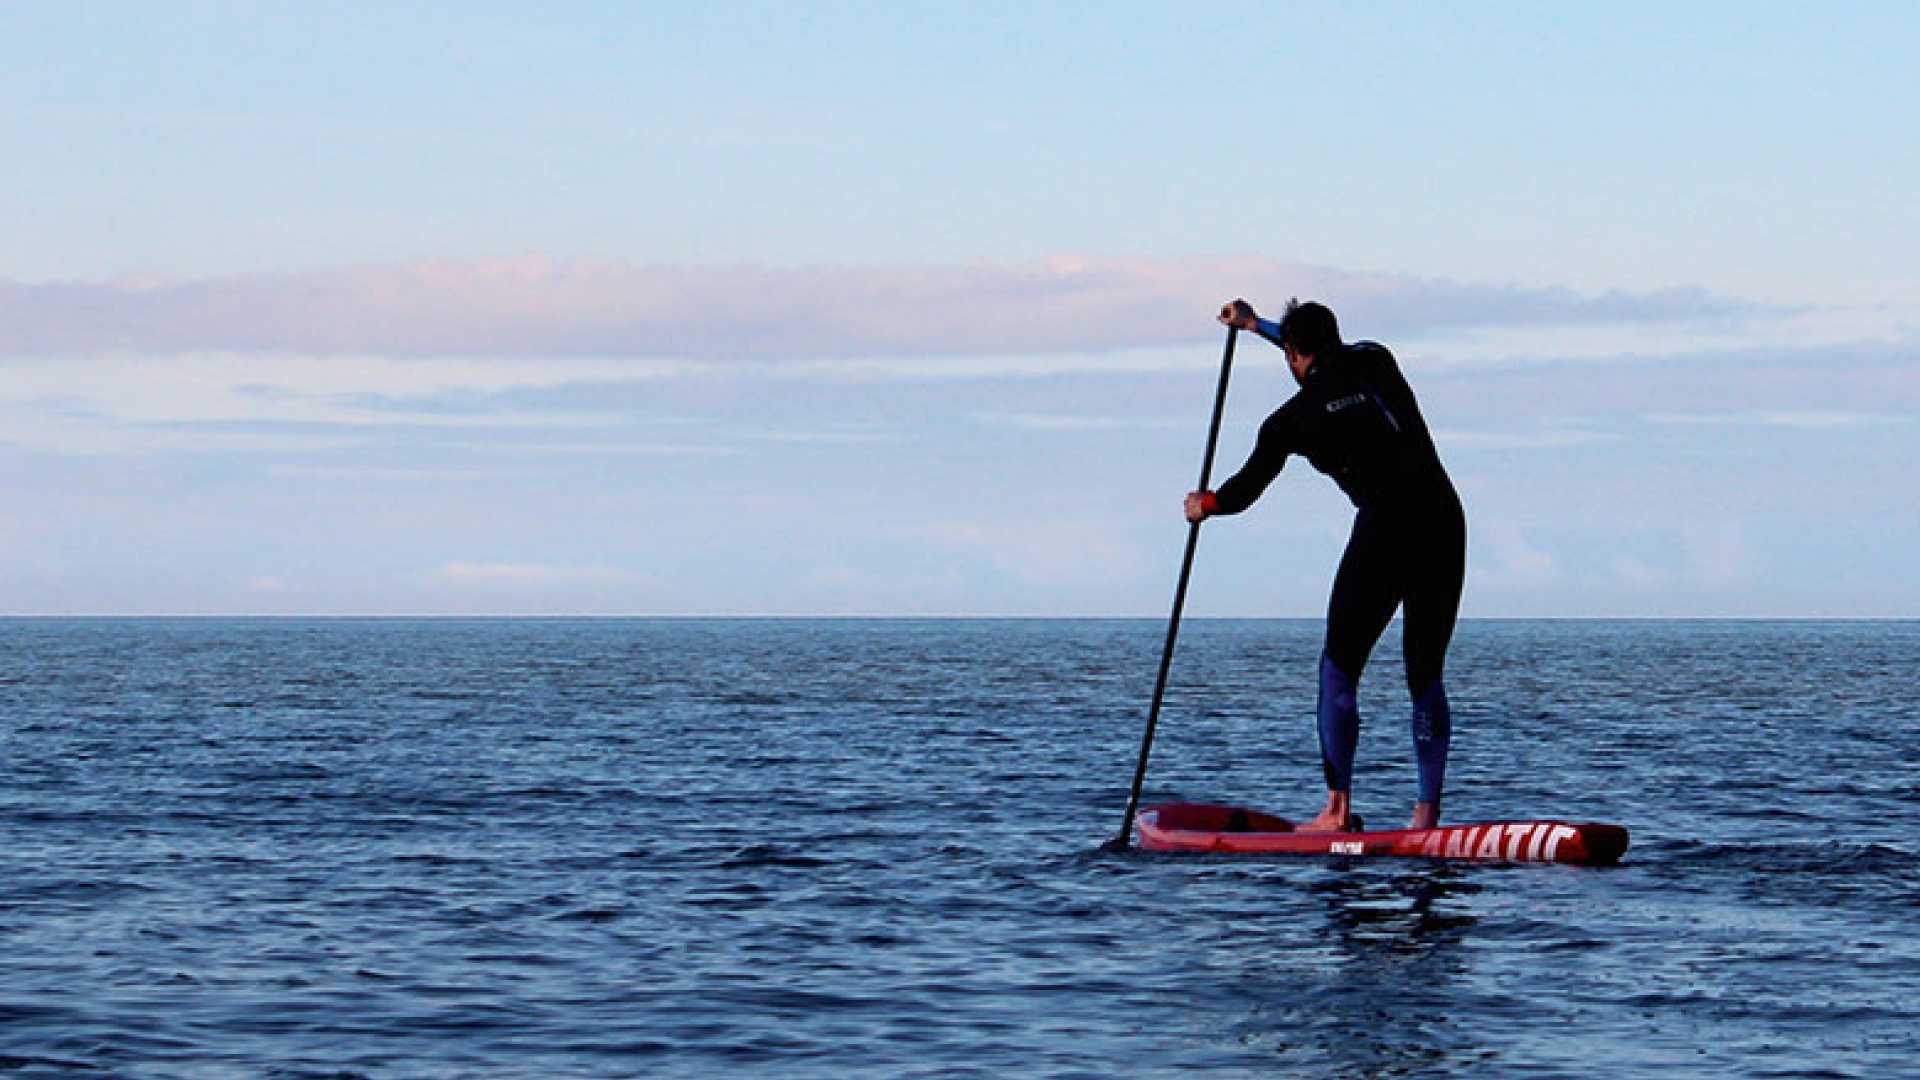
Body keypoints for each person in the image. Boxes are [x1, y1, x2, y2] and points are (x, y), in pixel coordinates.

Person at [1186, 298, 1466, 832]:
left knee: (1339, 668)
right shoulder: (1377, 360)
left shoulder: (1289, 421)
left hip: (1388, 529)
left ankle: (1336, 811)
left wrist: (1207, 504)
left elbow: (1244, 492)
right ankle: (1427, 814)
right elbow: (1325, 354)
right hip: (1444, 522)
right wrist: (1255, 326)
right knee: (1425, 671)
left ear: (1292, 354)